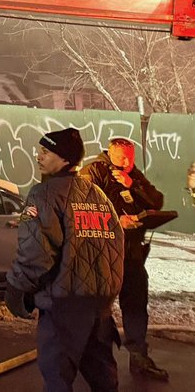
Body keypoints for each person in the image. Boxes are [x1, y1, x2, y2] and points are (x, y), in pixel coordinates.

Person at [6, 128, 124, 392]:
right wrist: (107, 292)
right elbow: (116, 247)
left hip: (63, 305)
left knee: (57, 377)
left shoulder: (44, 194)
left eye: (46, 152)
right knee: (103, 377)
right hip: (99, 307)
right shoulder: (98, 196)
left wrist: (16, 289)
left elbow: (35, 253)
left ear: (64, 159)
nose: (39, 156)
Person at [80, 138, 168, 381]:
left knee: (136, 303)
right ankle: (90, 360)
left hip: (131, 252)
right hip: (103, 254)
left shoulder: (133, 174)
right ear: (110, 154)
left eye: (131, 158)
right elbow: (83, 210)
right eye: (122, 158)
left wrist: (133, 185)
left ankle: (139, 356)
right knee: (97, 309)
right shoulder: (93, 172)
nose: (127, 163)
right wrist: (116, 220)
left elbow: (156, 200)